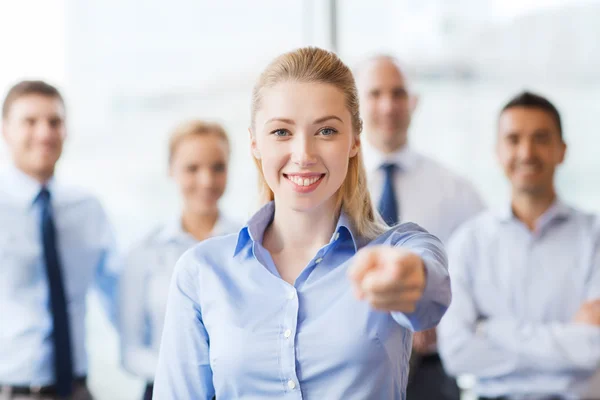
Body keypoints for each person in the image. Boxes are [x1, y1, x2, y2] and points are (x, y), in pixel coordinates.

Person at [152, 47, 452, 399]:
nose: (304, 155)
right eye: (281, 132)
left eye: (326, 131)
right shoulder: (201, 272)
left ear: (355, 140)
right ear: (254, 143)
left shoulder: (401, 248)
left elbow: (431, 298)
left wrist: (410, 280)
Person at [438, 91, 600, 400]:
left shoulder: (595, 237)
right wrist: (566, 348)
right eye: (513, 139)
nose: (527, 152)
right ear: (497, 151)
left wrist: (492, 330)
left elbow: (593, 349)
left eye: (540, 138)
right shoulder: (468, 242)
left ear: (561, 150)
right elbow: (457, 352)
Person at [356, 54, 485, 400]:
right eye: (376, 94)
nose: (388, 105)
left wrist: (444, 319)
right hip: (354, 369)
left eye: (398, 94)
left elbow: (482, 275)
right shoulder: (331, 188)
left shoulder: (456, 190)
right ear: (356, 103)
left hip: (431, 372)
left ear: (414, 102)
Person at [0, 81, 120, 400]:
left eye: (54, 122)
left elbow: (119, 298)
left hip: (78, 390)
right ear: (5, 130)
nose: (44, 133)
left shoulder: (87, 209)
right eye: (30, 121)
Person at [118, 120, 239, 400]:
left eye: (217, 167)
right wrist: (188, 376)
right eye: (192, 168)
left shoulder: (250, 245)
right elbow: (130, 351)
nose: (206, 180)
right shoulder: (144, 252)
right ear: (171, 170)